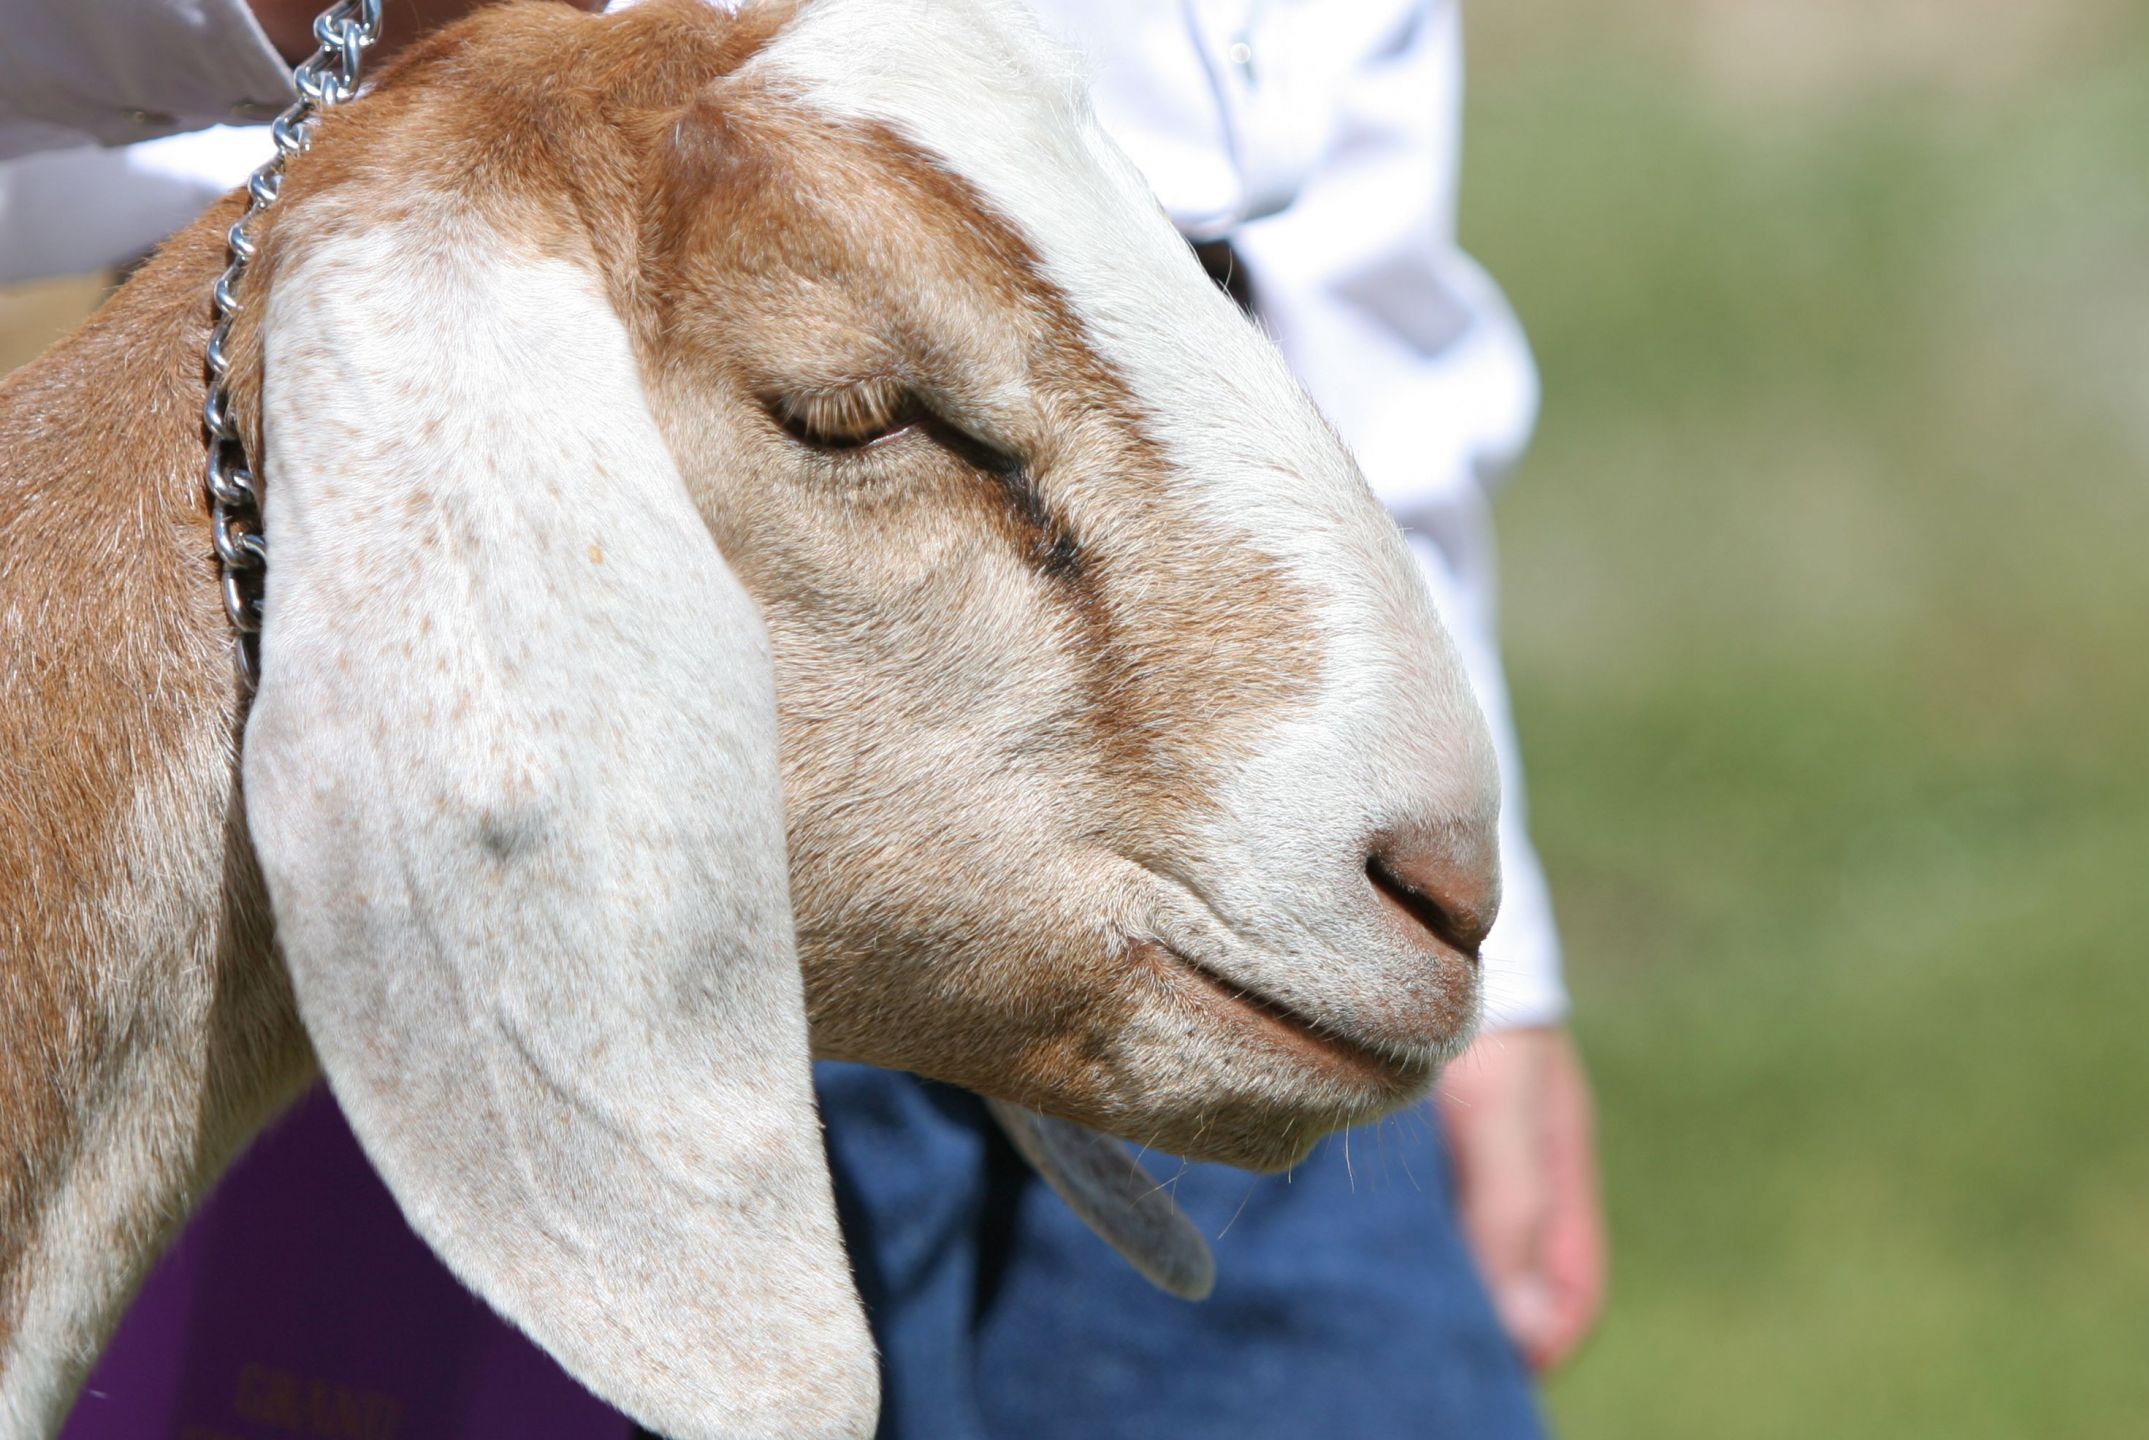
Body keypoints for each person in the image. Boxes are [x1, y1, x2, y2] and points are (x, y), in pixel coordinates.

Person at [2, 0, 1606, 1432]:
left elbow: (1325, 100)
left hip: (1204, 786)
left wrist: (1508, 936)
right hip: (503, 625)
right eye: (852, 412)